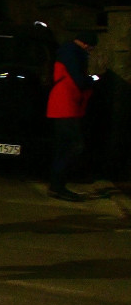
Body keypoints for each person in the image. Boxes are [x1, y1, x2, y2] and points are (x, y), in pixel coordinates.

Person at [46, 31, 97, 201]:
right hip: (66, 106)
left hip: (62, 105)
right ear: (85, 43)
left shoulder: (66, 52)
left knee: (64, 146)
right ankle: (58, 185)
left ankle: (57, 185)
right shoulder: (73, 55)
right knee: (72, 146)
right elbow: (79, 80)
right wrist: (93, 80)